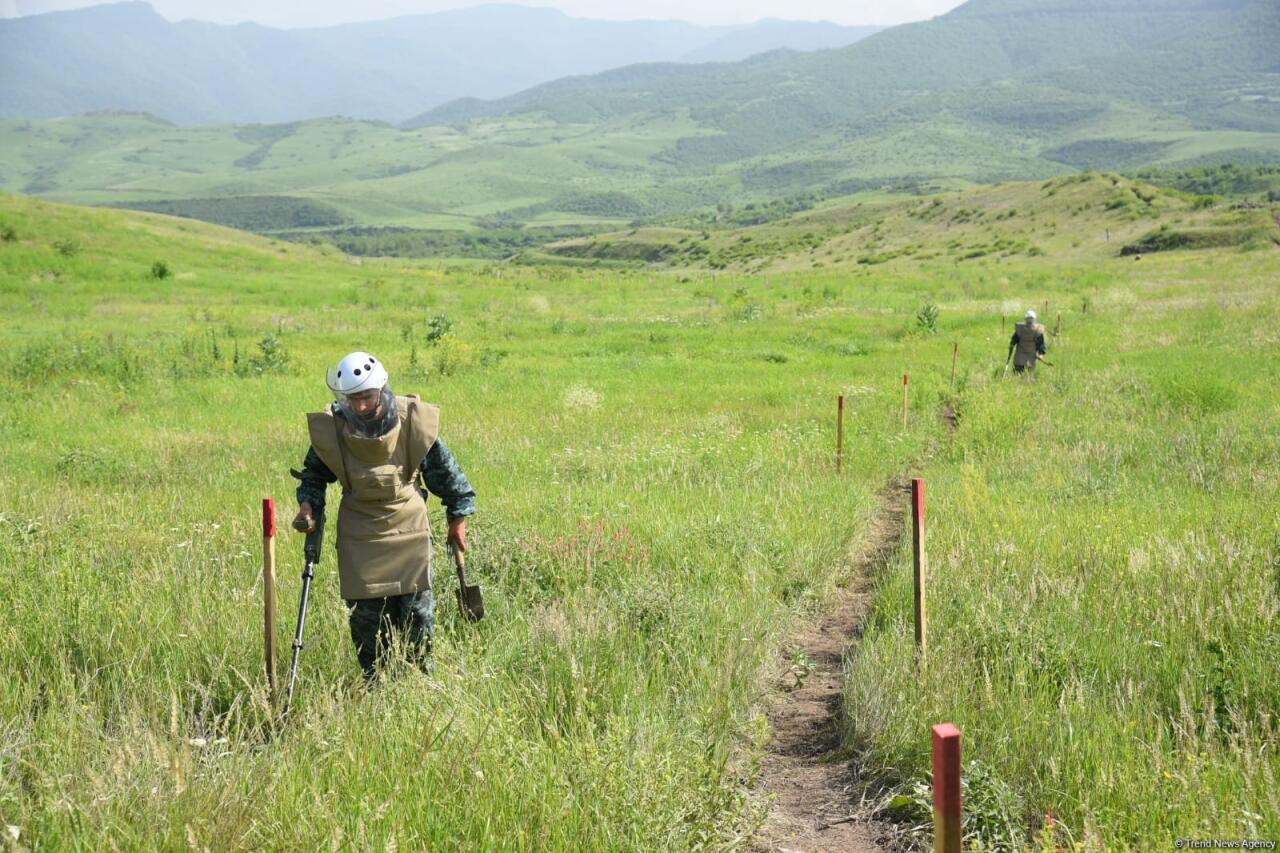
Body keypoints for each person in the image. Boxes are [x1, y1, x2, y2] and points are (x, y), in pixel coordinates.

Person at [291, 351, 475, 679]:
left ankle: (421, 686)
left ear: (382, 389)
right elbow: (315, 476)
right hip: (360, 537)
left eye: (367, 397)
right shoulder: (333, 428)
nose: (360, 406)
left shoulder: (411, 421)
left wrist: (457, 517)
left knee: (417, 621)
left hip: (409, 531)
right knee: (368, 627)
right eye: (353, 399)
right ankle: (377, 690)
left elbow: (446, 474)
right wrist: (308, 505)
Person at [1006, 310, 1047, 375]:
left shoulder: (1038, 330)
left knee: (1029, 374)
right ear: (1026, 319)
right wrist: (1011, 345)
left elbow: (1041, 343)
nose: (1029, 321)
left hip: (1031, 355)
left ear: (1034, 319)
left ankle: (1028, 382)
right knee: (1017, 373)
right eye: (1028, 319)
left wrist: (1041, 353)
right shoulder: (1020, 329)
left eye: (1031, 319)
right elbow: (1014, 339)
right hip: (1020, 354)